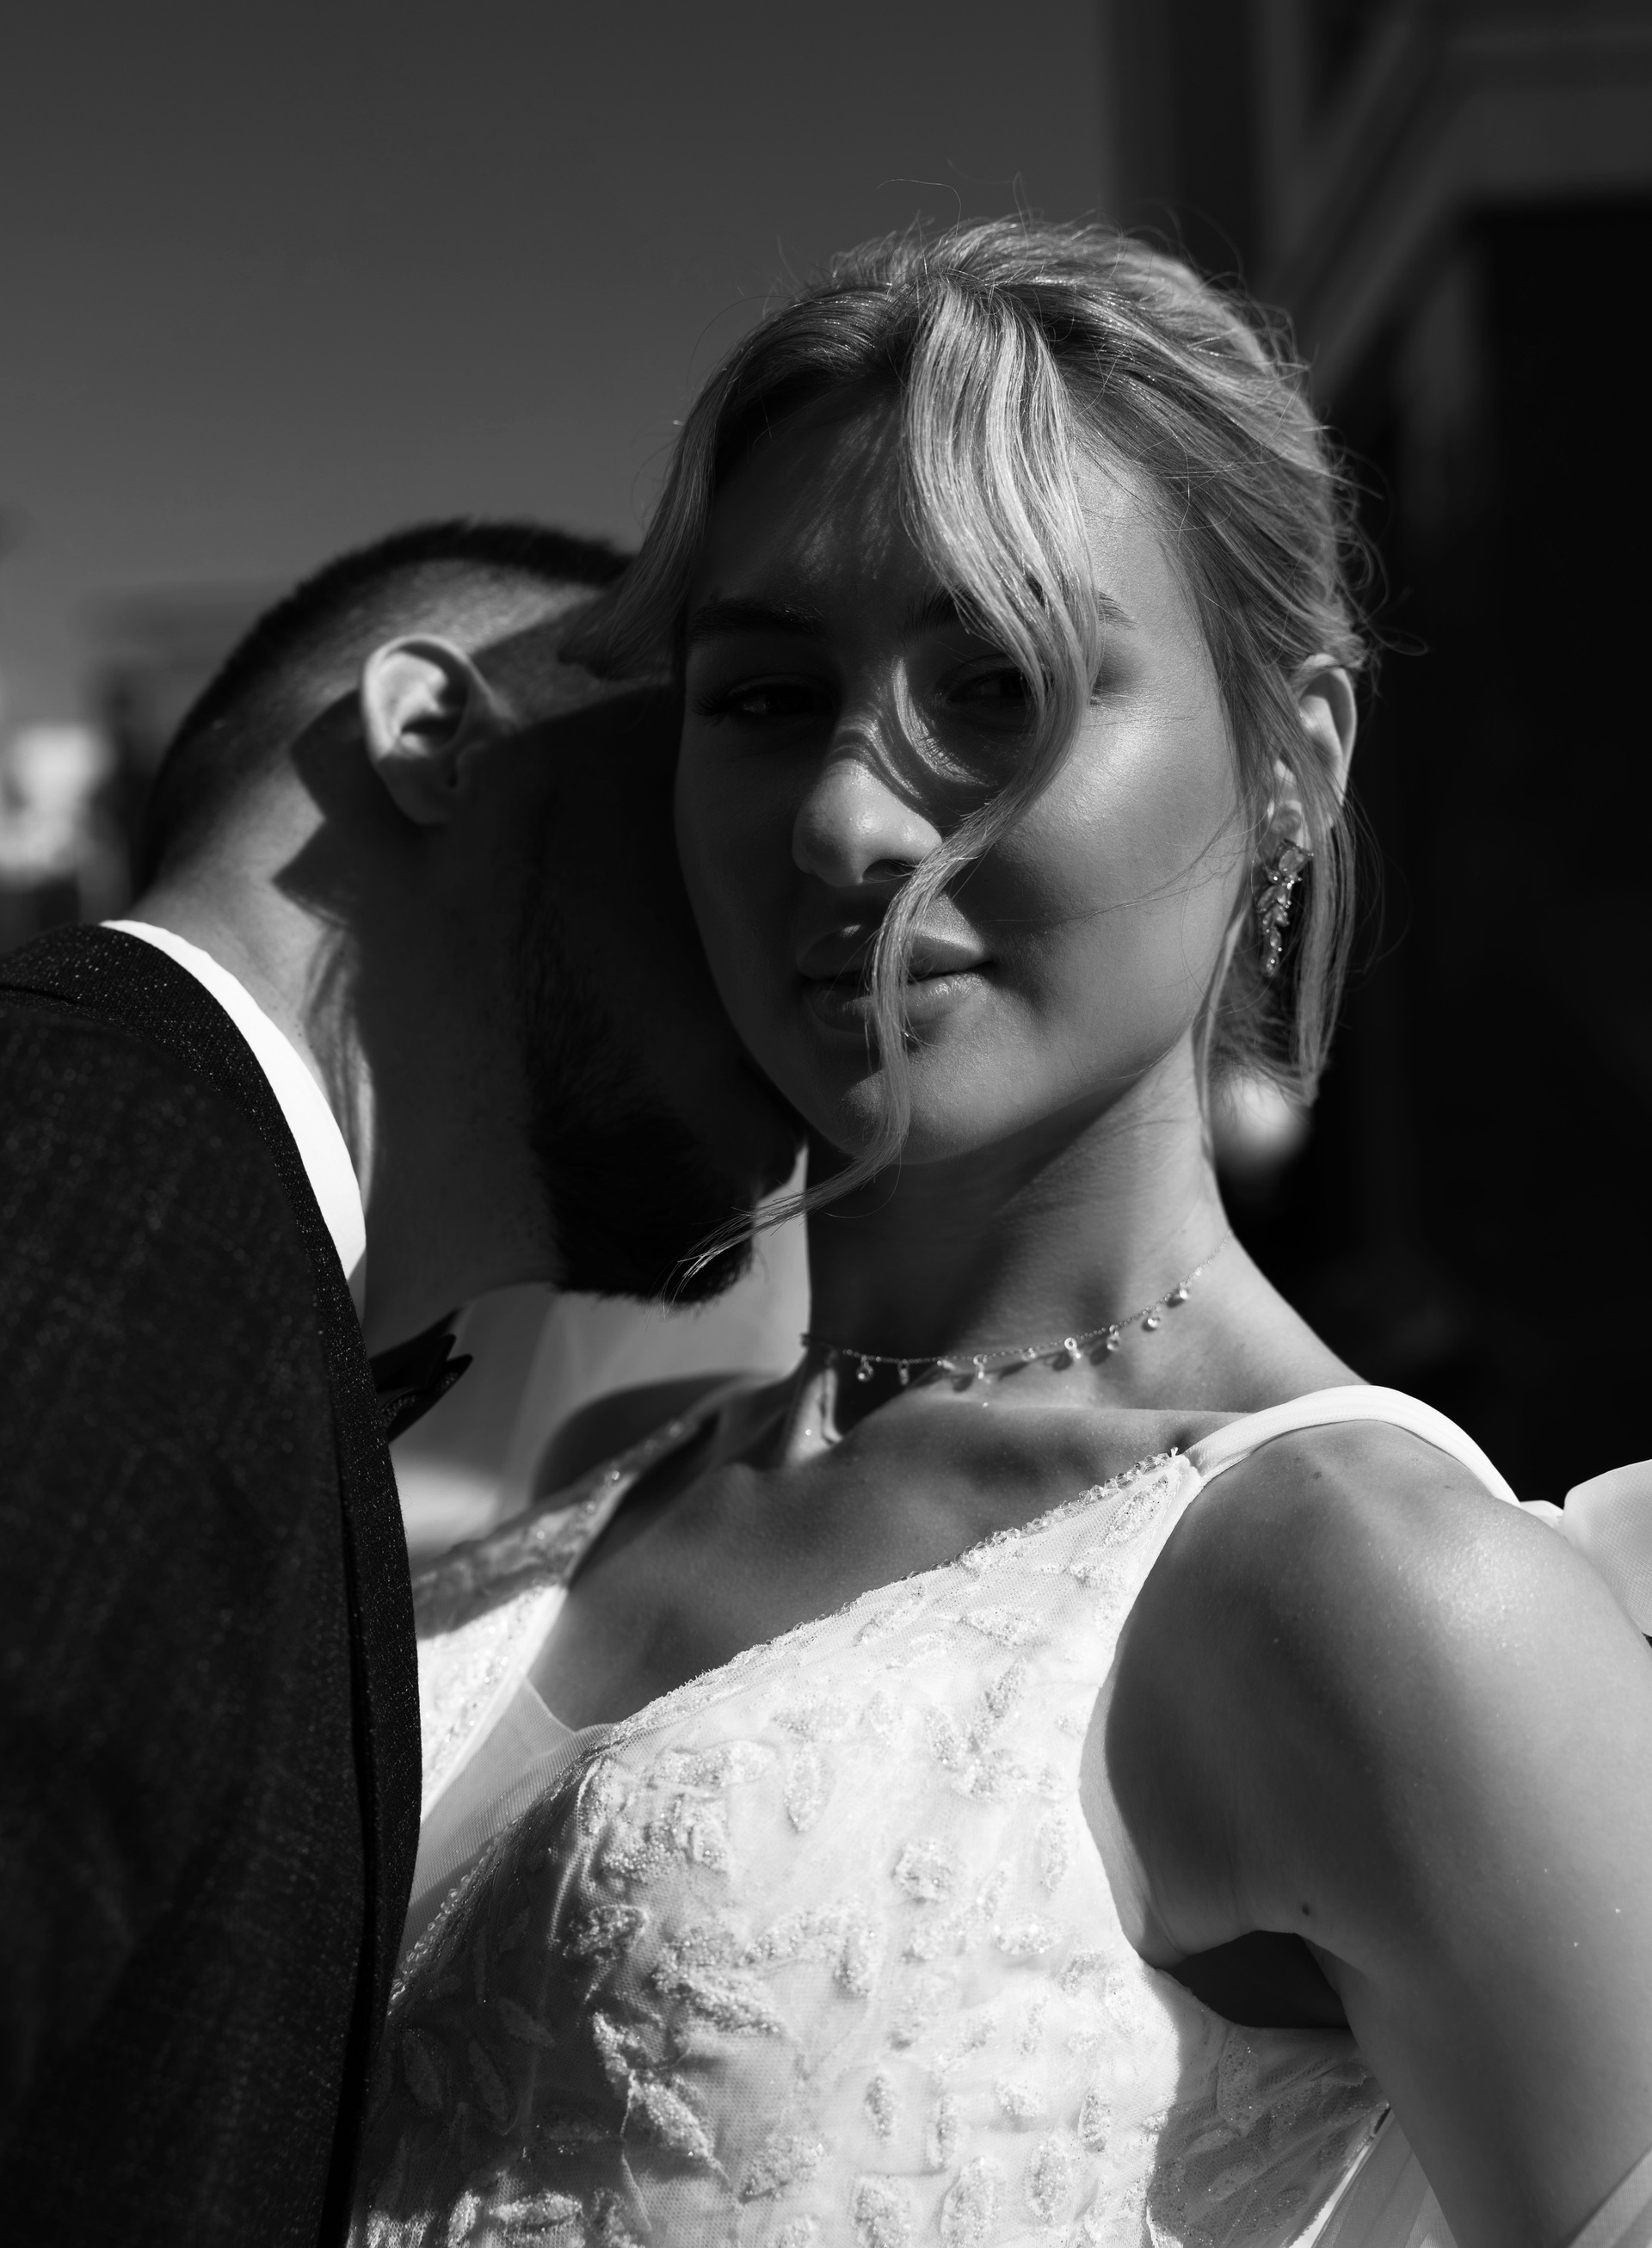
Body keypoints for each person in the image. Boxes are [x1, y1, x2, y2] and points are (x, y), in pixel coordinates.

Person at [349, 232, 1652, 2248]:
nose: (848, 822)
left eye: (999, 686)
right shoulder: (604, 1472)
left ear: (1294, 761)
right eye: (766, 695)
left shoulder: (1372, 1588)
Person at [0, 519, 798, 2246]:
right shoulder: (97, 1168)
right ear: (436, 732)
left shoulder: (211, 1246)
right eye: (719, 739)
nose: (809, 873)